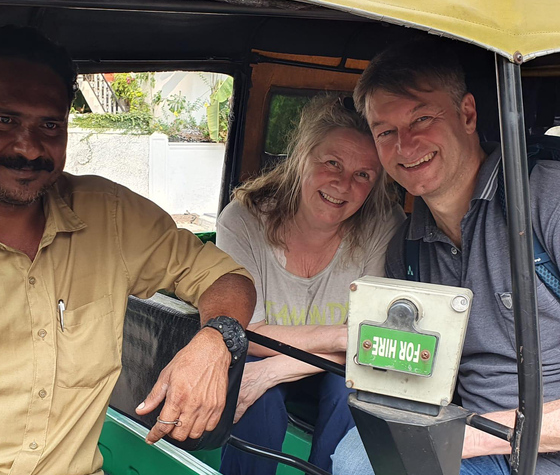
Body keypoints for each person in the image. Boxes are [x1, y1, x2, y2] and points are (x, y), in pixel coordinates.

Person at [0, 25, 256, 475]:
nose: (29, 147)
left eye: (49, 125)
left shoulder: (112, 216)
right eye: (4, 120)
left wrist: (217, 340)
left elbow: (226, 278)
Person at [331, 39, 560, 475]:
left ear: (468, 114)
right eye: (385, 132)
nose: (405, 144)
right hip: (476, 449)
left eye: (422, 118)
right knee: (354, 459)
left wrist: (461, 439)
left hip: (535, 455)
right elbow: (410, 369)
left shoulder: (547, 200)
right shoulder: (410, 248)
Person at [216, 95, 405, 474]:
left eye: (363, 175)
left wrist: (276, 370)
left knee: (355, 388)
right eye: (332, 163)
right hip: (271, 353)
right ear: (302, 155)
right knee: (253, 389)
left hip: (337, 368)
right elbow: (242, 333)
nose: (343, 184)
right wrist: (339, 337)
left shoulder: (383, 224)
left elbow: (371, 343)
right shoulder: (244, 219)